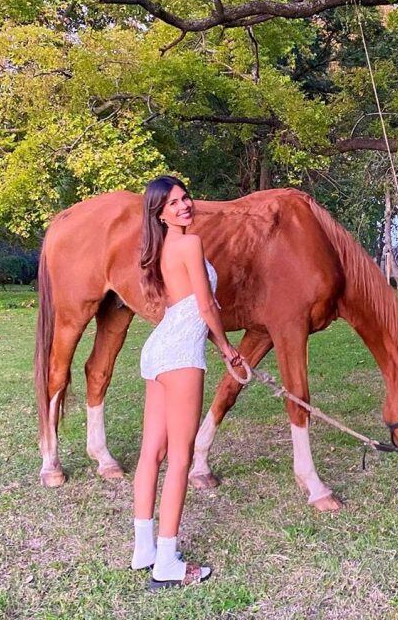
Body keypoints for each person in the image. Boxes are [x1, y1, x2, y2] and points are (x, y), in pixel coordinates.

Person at [132, 175, 242, 590]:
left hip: (158, 348)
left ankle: (144, 549)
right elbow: (206, 305)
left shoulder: (161, 247)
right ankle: (166, 562)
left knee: (151, 454)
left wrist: (219, 345)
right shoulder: (189, 244)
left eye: (186, 197)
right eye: (174, 203)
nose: (184, 206)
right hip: (179, 354)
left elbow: (192, 308)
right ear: (159, 212)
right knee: (179, 458)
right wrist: (227, 348)